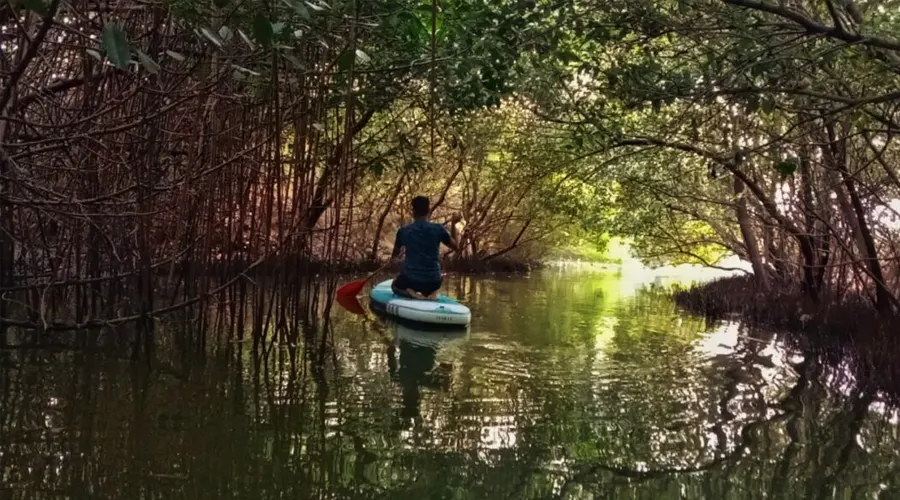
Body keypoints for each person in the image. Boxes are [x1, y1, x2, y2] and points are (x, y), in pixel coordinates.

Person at [390, 195, 460, 299]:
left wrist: (399, 255)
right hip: (434, 281)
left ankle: (413, 295)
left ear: (413, 211)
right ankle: (430, 294)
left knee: (394, 286)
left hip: (411, 280)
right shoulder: (438, 229)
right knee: (431, 280)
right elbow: (456, 247)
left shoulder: (404, 231)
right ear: (428, 210)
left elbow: (394, 258)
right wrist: (453, 224)